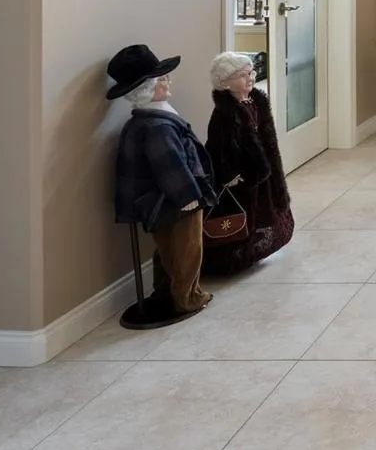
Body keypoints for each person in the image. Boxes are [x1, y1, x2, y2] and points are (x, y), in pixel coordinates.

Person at [108, 44, 218, 314]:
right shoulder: (157, 127)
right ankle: (187, 297)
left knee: (168, 248)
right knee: (186, 249)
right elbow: (171, 166)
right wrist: (189, 198)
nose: (168, 81)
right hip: (174, 200)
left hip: (161, 201)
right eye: (162, 79)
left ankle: (167, 289)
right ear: (147, 88)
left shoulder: (147, 119)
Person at [201, 51, 294, 278]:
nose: (251, 78)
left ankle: (258, 248)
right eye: (243, 75)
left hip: (264, 170)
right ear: (225, 83)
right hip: (243, 176)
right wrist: (230, 175)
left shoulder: (257, 103)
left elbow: (267, 137)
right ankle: (238, 256)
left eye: (251, 73)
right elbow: (217, 149)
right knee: (247, 213)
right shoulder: (223, 115)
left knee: (268, 208)